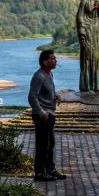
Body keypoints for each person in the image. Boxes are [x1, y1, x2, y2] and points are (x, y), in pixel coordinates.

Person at [28, 50, 66, 182]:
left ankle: (50, 170)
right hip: (42, 116)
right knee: (42, 145)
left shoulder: (49, 74)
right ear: (45, 61)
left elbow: (46, 92)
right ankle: (40, 173)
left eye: (55, 58)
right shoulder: (38, 76)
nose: (55, 60)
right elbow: (32, 97)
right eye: (52, 58)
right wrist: (41, 112)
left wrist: (55, 96)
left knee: (50, 144)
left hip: (50, 114)